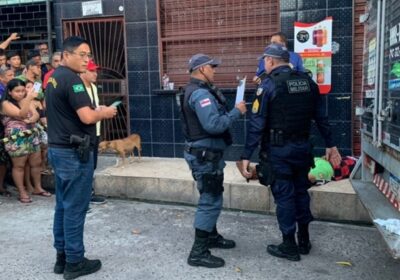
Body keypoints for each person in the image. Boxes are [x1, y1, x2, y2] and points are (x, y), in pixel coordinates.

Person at [238, 44, 341, 261]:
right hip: (303, 150)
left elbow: (257, 125)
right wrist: (331, 144)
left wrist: (246, 155)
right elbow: (321, 118)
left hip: (279, 152)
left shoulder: (268, 86)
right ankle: (304, 240)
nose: (263, 64)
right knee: (301, 191)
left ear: (271, 61)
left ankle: (289, 245)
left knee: (284, 196)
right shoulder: (309, 83)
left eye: (264, 60)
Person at [46, 36, 117, 279]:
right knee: (75, 208)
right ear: (66, 55)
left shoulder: (54, 78)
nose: (87, 60)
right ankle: (75, 262)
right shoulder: (74, 81)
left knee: (62, 206)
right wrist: (105, 112)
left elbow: (71, 114)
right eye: (82, 54)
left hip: (58, 149)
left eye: (89, 55)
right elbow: (87, 117)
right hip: (73, 153)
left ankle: (61, 258)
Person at [180, 53, 247, 268]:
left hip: (207, 156)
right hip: (204, 157)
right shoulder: (200, 94)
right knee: (210, 201)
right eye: (212, 67)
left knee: (211, 195)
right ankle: (198, 252)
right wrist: (237, 113)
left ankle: (211, 236)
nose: (214, 70)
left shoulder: (199, 91)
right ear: (201, 70)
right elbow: (214, 125)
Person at [1, 79, 47, 203]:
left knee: (36, 162)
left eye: (22, 91)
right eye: (17, 91)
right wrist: (28, 99)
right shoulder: (5, 103)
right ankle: (22, 191)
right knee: (19, 166)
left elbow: (36, 115)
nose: (21, 93)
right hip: (16, 137)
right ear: (10, 92)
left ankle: (37, 187)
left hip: (31, 133)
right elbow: (22, 114)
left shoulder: (25, 100)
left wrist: (32, 119)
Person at [79, 59, 107, 205]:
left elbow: (93, 107)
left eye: (96, 71)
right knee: (83, 166)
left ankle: (89, 193)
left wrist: (100, 108)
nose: (95, 74)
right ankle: (83, 198)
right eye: (92, 71)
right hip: (83, 133)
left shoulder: (94, 88)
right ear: (83, 71)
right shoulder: (78, 88)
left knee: (92, 164)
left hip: (95, 131)